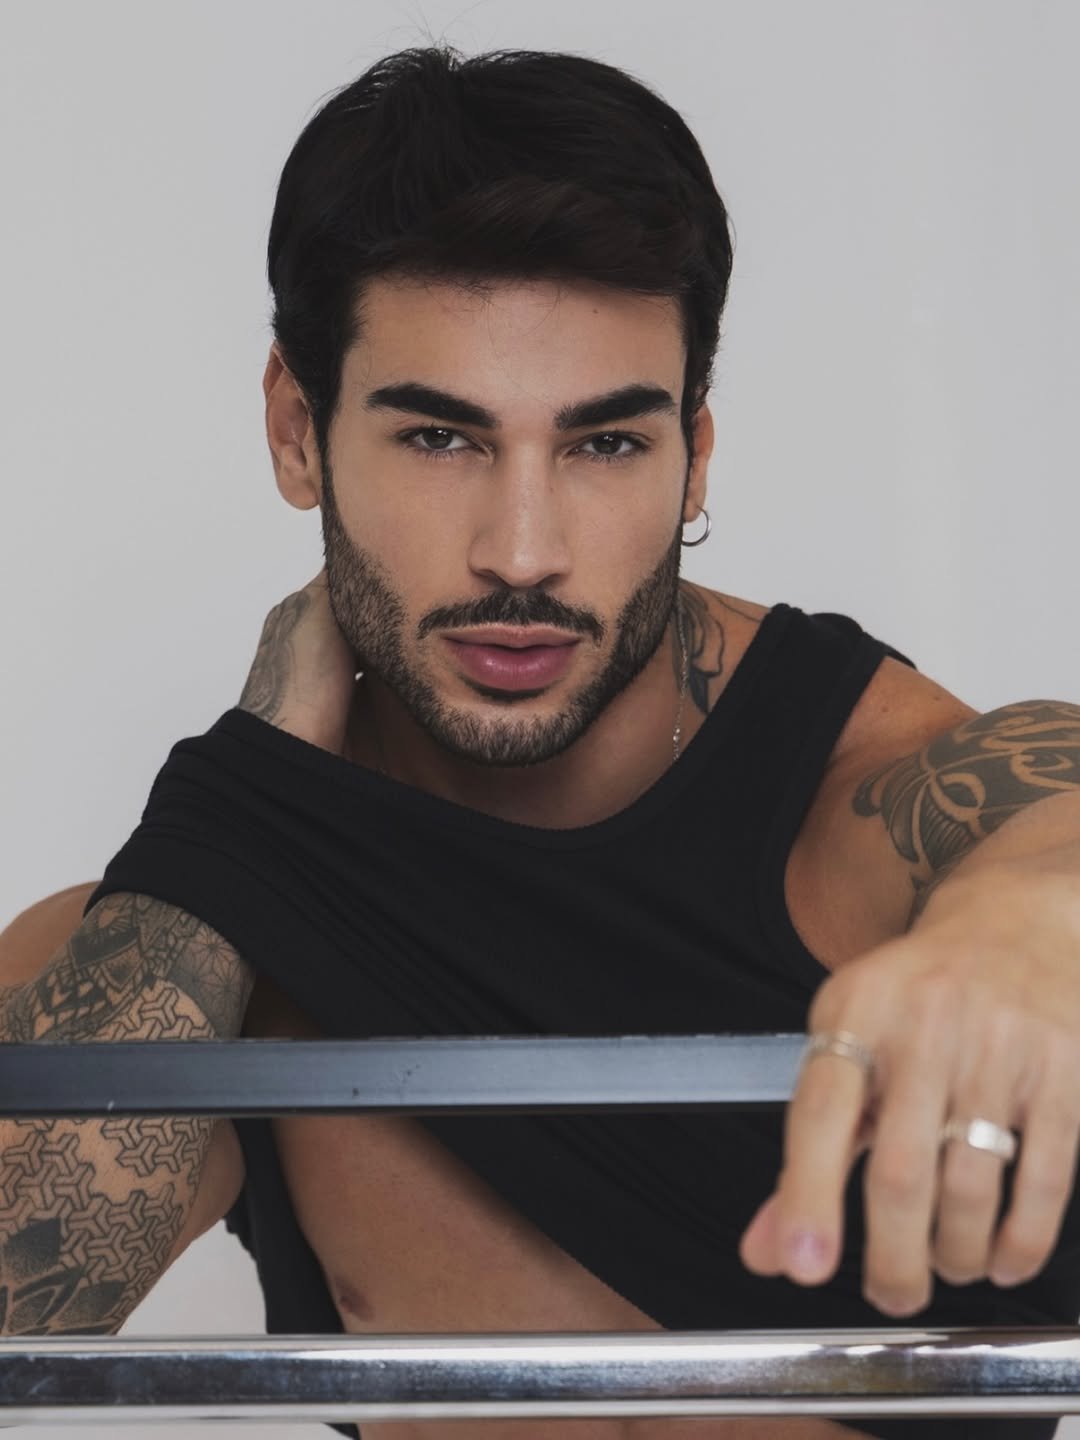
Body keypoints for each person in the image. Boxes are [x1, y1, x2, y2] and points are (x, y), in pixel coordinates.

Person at [3, 43, 1080, 1440]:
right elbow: (24, 1295)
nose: (523, 552)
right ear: (296, 432)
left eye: (606, 446)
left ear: (695, 454)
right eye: (441, 439)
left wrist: (1022, 934)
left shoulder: (857, 795)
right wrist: (247, 798)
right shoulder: (225, 902)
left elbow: (1043, 810)